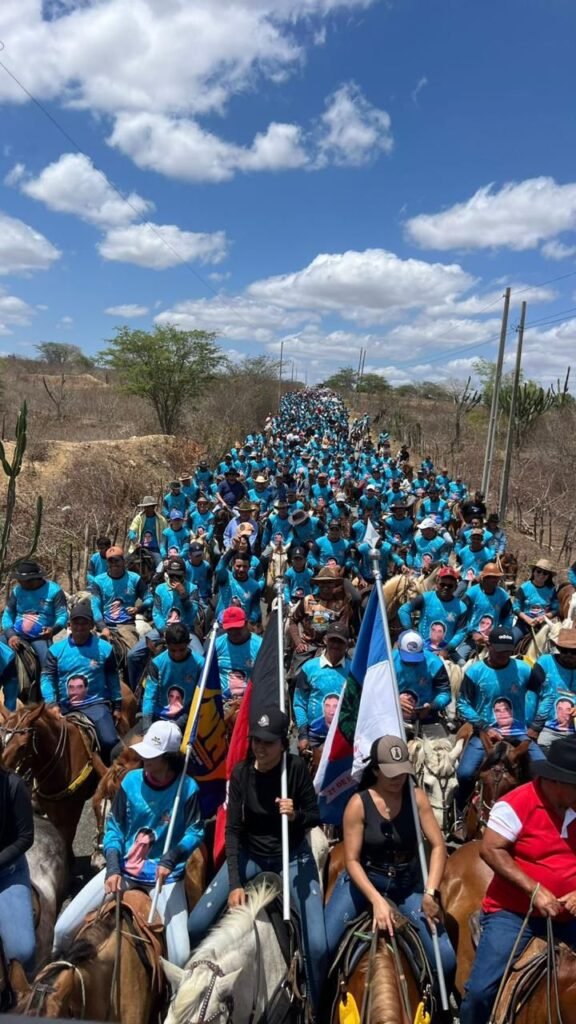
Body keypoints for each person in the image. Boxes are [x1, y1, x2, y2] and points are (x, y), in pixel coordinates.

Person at [187, 707, 328, 1012]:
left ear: (283, 744)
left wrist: (295, 814)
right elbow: (233, 831)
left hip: (292, 856)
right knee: (196, 924)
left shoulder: (295, 769)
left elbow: (315, 815)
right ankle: (192, 996)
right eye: (256, 741)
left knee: (318, 945)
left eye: (268, 742)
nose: (260, 748)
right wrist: (235, 883)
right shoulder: (241, 773)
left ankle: (316, 1009)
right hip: (251, 854)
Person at [53, 721, 204, 969]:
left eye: (153, 756)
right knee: (62, 930)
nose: (145, 759)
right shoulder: (130, 782)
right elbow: (114, 828)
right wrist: (113, 867)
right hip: (124, 870)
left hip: (164, 877)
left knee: (180, 957)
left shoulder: (187, 789)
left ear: (168, 758)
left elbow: (195, 831)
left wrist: (172, 857)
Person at [324, 736, 456, 990]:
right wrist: (376, 900)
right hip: (364, 881)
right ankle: (315, 1006)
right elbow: (351, 860)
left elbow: (439, 846)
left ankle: (438, 1005)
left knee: (446, 958)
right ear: (375, 770)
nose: (398, 778)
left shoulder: (417, 798)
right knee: (323, 946)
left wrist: (430, 891)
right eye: (391, 773)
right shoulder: (358, 804)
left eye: (402, 771)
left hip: (406, 885)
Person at [460, 736, 576, 1024]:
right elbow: (490, 849)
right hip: (514, 913)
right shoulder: (516, 803)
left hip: (570, 914)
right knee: (480, 992)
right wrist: (535, 890)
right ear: (557, 782)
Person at [455, 627, 546, 813]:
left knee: (543, 770)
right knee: (464, 773)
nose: (504, 655)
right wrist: (483, 726)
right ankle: (459, 813)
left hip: (519, 732)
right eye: (499, 650)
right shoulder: (475, 672)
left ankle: (538, 813)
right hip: (485, 733)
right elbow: (462, 704)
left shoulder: (523, 669)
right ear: (489, 646)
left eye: (508, 651)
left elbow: (545, 694)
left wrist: (536, 725)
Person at [41, 600, 122, 764]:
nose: (80, 628)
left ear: (91, 625)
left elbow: (112, 677)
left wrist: (118, 705)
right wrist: (51, 704)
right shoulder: (55, 650)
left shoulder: (105, 648)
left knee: (109, 741)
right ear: (69, 625)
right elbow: (47, 678)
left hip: (96, 705)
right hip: (64, 707)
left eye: (84, 623)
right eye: (76, 623)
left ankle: (108, 774)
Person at [127, 556, 201, 690]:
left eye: (178, 576)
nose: (174, 579)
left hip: (185, 631)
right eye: (172, 575)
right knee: (133, 655)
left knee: (201, 657)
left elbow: (192, 615)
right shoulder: (160, 589)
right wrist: (164, 630)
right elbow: (156, 613)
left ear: (184, 574)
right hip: (163, 630)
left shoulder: (192, 588)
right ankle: (135, 689)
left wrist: (184, 596)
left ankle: (196, 692)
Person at [0, 747, 35, 978]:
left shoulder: (13, 785)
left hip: (7, 873)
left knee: (23, 950)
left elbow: (25, 837)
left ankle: (26, 991)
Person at [293, 624, 351, 751]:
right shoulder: (309, 668)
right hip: (314, 739)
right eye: (332, 640)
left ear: (347, 644)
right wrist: (303, 735)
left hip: (343, 738)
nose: (335, 645)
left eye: (340, 641)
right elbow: (299, 703)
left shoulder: (352, 671)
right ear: (325, 640)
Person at [1, 560, 68, 668]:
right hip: (16, 634)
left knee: (48, 664)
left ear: (35, 579)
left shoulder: (54, 591)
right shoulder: (17, 590)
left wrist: (52, 630)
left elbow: (62, 615)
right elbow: (8, 614)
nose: (20, 583)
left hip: (40, 638)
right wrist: (11, 635)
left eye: (24, 581)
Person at [141, 623, 204, 732]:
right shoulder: (156, 663)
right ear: (167, 645)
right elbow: (149, 696)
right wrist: (147, 726)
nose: (177, 654)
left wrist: (180, 722)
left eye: (182, 650)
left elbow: (200, 698)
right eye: (173, 650)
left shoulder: (200, 664)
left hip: (186, 717)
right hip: (158, 716)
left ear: (188, 643)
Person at [397, 566, 467, 659]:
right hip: (421, 648)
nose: (446, 588)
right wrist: (411, 633)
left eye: (450, 586)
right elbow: (403, 610)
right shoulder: (426, 598)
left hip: (445, 651)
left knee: (462, 665)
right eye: (442, 584)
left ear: (456, 587)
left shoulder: (461, 607)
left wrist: (447, 648)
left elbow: (461, 632)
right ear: (437, 583)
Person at [91, 546, 146, 652]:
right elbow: (95, 606)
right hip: (104, 624)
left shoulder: (134, 578)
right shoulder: (98, 581)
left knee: (133, 655)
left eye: (117, 560)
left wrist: (138, 609)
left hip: (126, 625)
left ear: (123, 561)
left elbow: (149, 598)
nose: (114, 564)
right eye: (110, 561)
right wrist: (103, 627)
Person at [456, 562, 514, 663]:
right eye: (491, 577)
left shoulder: (503, 596)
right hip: (471, 638)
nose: (494, 580)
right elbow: (461, 614)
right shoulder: (472, 593)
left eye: (496, 577)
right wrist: (472, 633)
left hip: (493, 640)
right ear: (484, 578)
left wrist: (500, 634)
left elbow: (508, 617)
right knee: (459, 661)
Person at [393, 630, 451, 729]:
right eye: (407, 658)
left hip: (426, 714)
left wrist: (432, 706)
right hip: (393, 714)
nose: (411, 662)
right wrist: (394, 701)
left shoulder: (434, 663)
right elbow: (376, 692)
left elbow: (445, 693)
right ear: (399, 648)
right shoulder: (389, 661)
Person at [531, 628, 576, 751]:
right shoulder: (545, 662)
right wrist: (532, 726)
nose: (569, 655)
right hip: (545, 729)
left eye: (574, 652)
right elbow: (531, 694)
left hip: (572, 733)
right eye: (564, 651)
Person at [214, 607, 262, 705]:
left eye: (237, 628)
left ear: (246, 623)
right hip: (222, 701)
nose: (233, 632)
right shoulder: (217, 645)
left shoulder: (259, 646)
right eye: (230, 629)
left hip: (249, 701)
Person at [512, 558, 559, 644]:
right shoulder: (524, 588)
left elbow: (556, 609)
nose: (541, 575)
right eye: (538, 571)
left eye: (545, 573)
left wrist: (543, 618)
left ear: (548, 576)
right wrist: (527, 619)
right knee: (510, 640)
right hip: (523, 625)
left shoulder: (552, 590)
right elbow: (515, 607)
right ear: (533, 572)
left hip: (543, 625)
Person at [127, 496, 167, 568]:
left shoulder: (161, 520)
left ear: (153, 507)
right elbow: (131, 531)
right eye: (145, 507)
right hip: (139, 548)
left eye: (149, 507)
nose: (147, 509)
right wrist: (136, 542)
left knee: (161, 567)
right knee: (125, 563)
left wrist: (163, 550)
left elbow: (165, 535)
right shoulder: (139, 518)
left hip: (155, 549)